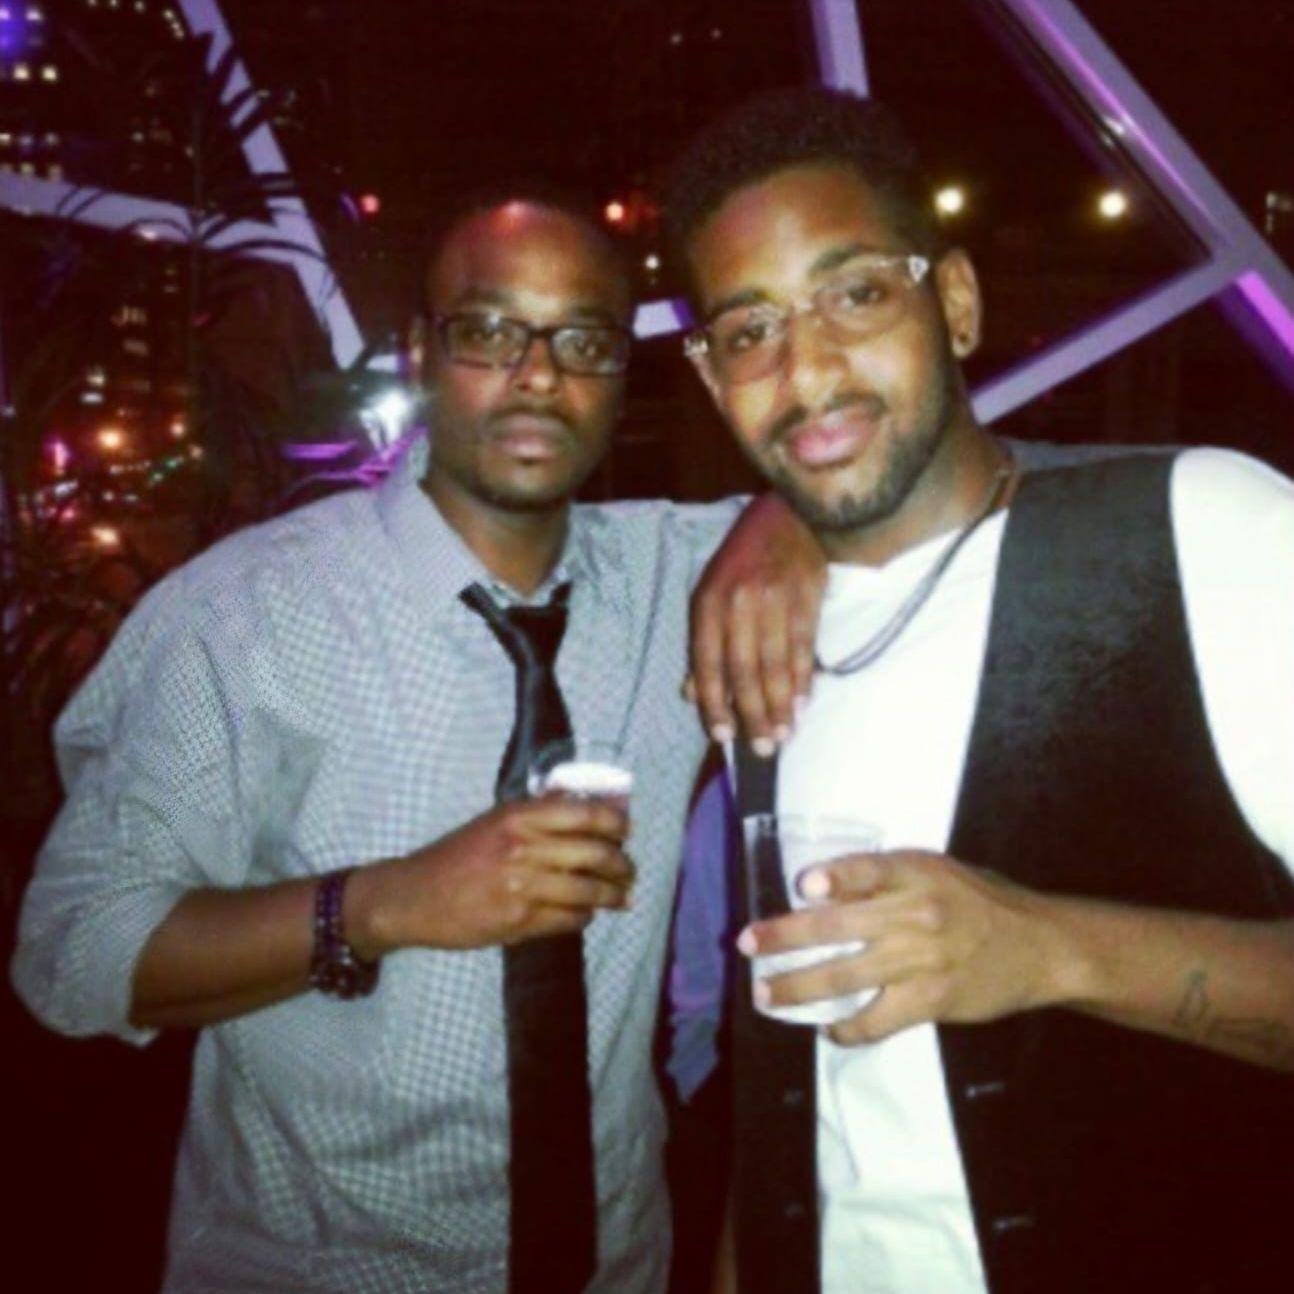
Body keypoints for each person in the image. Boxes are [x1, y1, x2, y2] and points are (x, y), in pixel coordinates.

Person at [11, 185, 818, 1294]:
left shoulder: (687, 578)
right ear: (420, 352)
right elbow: (74, 953)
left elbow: (943, 477)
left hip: (616, 1266)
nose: (539, 376)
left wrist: (789, 513)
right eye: (490, 331)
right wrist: (388, 903)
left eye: (583, 341)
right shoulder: (245, 614)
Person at [663, 87, 1294, 1294]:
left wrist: (1049, 948)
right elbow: (790, 1104)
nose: (806, 368)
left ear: (953, 303)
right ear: (710, 377)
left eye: (855, 293)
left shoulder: (1203, 533)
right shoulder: (757, 642)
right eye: (748, 331)